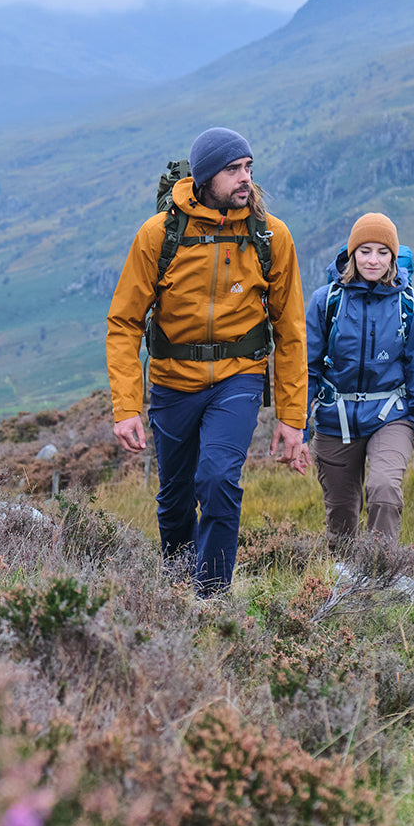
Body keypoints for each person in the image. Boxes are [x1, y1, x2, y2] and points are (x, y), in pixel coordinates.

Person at [106, 127, 308, 597]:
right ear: (204, 177)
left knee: (218, 478)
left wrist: (293, 418)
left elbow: (292, 333)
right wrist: (126, 407)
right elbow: (124, 324)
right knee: (175, 499)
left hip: (238, 379)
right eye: (233, 170)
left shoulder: (271, 236)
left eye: (249, 169)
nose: (246, 180)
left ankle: (210, 600)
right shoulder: (159, 236)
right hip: (173, 383)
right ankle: (177, 590)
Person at [293, 212, 414, 550]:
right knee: (342, 515)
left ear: (393, 256)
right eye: (365, 251)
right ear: (352, 253)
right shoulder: (326, 301)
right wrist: (299, 431)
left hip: (392, 416)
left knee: (384, 490)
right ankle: (346, 588)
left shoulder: (411, 306)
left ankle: (382, 576)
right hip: (335, 419)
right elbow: (307, 372)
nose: (373, 260)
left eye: (382, 252)